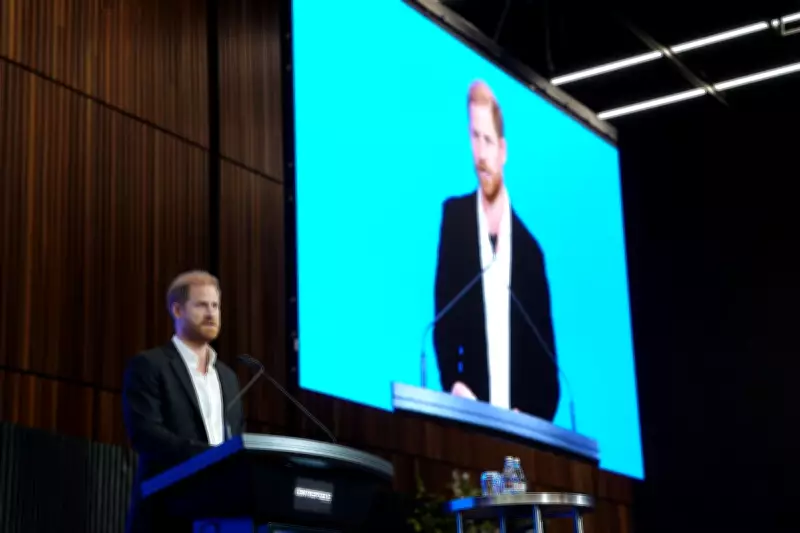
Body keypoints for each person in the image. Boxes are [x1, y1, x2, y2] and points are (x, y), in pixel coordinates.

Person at [433, 80, 560, 421]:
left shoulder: (531, 254)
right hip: (466, 425)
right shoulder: (455, 220)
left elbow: (549, 376)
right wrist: (454, 383)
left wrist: (528, 417)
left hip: (516, 439)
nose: (481, 154)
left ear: (503, 150)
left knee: (509, 468)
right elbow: (443, 324)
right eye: (474, 137)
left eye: (488, 140)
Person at [122, 270, 245, 533]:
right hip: (166, 514)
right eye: (201, 305)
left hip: (219, 517)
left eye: (215, 306)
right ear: (177, 310)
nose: (211, 313)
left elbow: (235, 439)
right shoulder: (150, 365)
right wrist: (211, 456)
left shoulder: (228, 377)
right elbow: (146, 435)